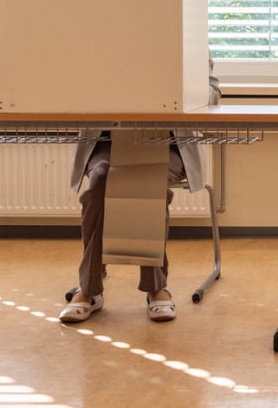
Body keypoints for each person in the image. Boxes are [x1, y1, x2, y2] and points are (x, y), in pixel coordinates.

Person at [59, 55, 220, 323]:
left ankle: (157, 288)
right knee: (100, 180)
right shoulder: (100, 41)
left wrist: (186, 88)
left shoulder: (186, 36)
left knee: (148, 178)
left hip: (168, 143)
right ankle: (89, 289)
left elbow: (213, 94)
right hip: (107, 142)